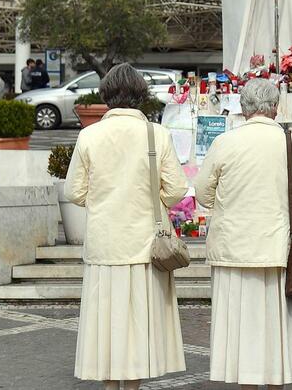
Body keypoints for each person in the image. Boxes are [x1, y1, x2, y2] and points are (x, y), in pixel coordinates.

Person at [65, 63, 189, 389]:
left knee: (106, 327)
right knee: (137, 327)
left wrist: (105, 200)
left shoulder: (89, 135)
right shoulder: (156, 134)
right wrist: (151, 200)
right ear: (140, 95)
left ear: (106, 95)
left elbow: (74, 191)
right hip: (145, 245)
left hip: (105, 245)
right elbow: (176, 189)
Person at [197, 78, 292, 388]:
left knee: (241, 332)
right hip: (281, 250)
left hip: (235, 250)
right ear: (276, 107)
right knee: (277, 331)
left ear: (243, 108)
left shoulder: (225, 142)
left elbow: (202, 193)